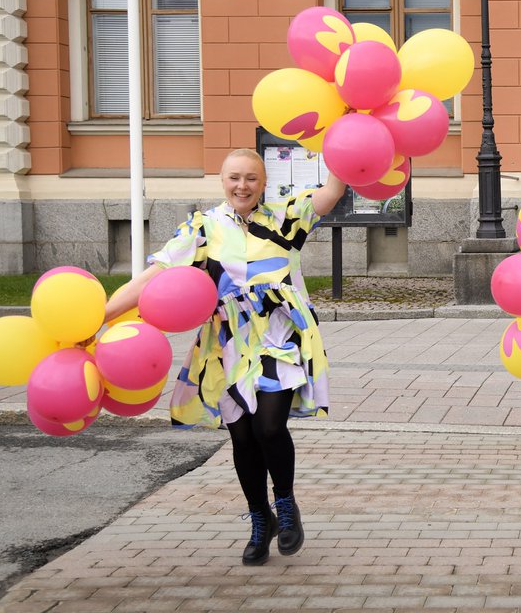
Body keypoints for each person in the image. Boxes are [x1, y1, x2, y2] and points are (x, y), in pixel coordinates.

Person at [104, 147, 346, 566]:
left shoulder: (287, 217)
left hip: (279, 337)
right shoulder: (203, 228)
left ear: (264, 182)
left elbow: (332, 190)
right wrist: (100, 317)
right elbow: (153, 277)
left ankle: (286, 507)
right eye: (235, 177)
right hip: (228, 344)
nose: (243, 186)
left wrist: (347, 134)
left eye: (251, 178)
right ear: (222, 180)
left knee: (270, 427)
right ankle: (260, 519)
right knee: (243, 437)